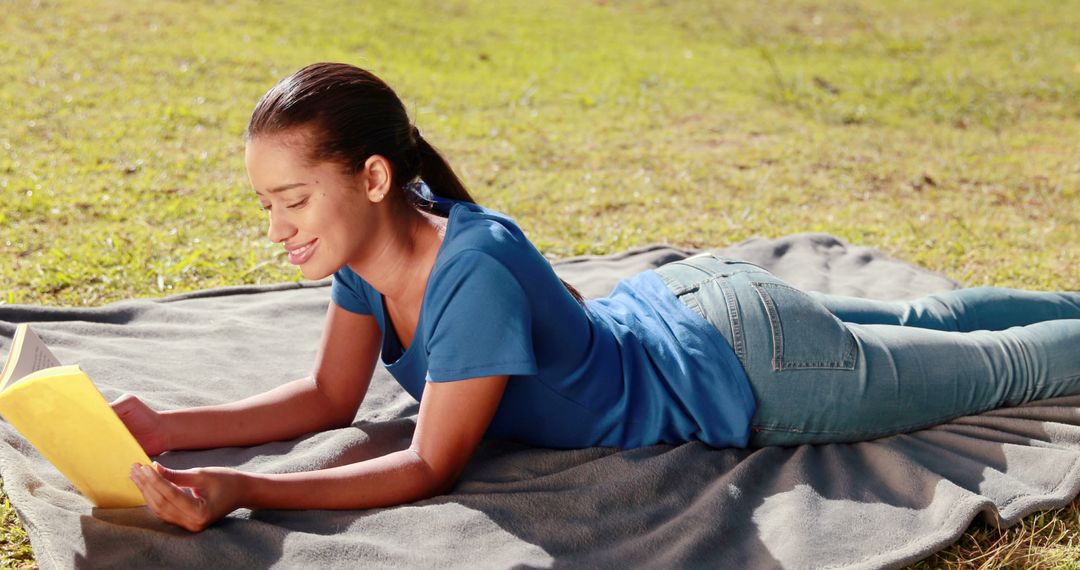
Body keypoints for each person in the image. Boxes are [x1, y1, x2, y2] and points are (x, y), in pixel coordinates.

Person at [111, 62, 1080, 533]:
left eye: (291, 200)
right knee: (937, 321)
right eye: (267, 203)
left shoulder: (469, 270)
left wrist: (246, 487)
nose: (277, 227)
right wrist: (169, 425)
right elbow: (327, 401)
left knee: (1011, 366)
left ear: (370, 176)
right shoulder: (377, 246)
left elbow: (427, 465)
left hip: (755, 371)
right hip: (703, 306)